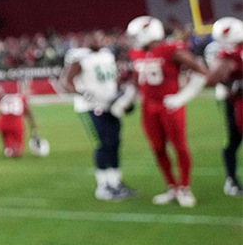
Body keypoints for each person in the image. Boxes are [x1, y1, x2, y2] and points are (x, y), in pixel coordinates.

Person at [124, 15, 210, 208]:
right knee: (157, 148)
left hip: (170, 105)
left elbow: (201, 72)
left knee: (179, 147)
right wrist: (126, 99)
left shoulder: (171, 49)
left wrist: (182, 97)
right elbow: (136, 79)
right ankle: (172, 186)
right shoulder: (136, 52)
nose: (133, 40)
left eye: (136, 35)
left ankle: (185, 187)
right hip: (148, 107)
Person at [62, 33, 139, 201]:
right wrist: (81, 92)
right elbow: (65, 81)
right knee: (103, 144)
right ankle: (103, 186)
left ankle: (116, 182)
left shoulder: (107, 55)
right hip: (92, 106)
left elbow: (112, 79)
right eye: (92, 38)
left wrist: (121, 95)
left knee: (115, 142)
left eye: (99, 38)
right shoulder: (80, 58)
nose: (96, 40)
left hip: (110, 104)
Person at [206, 16, 243, 197]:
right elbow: (215, 77)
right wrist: (233, 86)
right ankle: (231, 180)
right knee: (233, 139)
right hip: (233, 99)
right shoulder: (222, 52)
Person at [0, 82, 37, 158]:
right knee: (18, 149)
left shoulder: (3, 98)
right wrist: (33, 124)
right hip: (16, 125)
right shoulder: (21, 98)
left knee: (8, 140)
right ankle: (15, 150)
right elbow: (28, 111)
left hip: (2, 123)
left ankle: (9, 148)